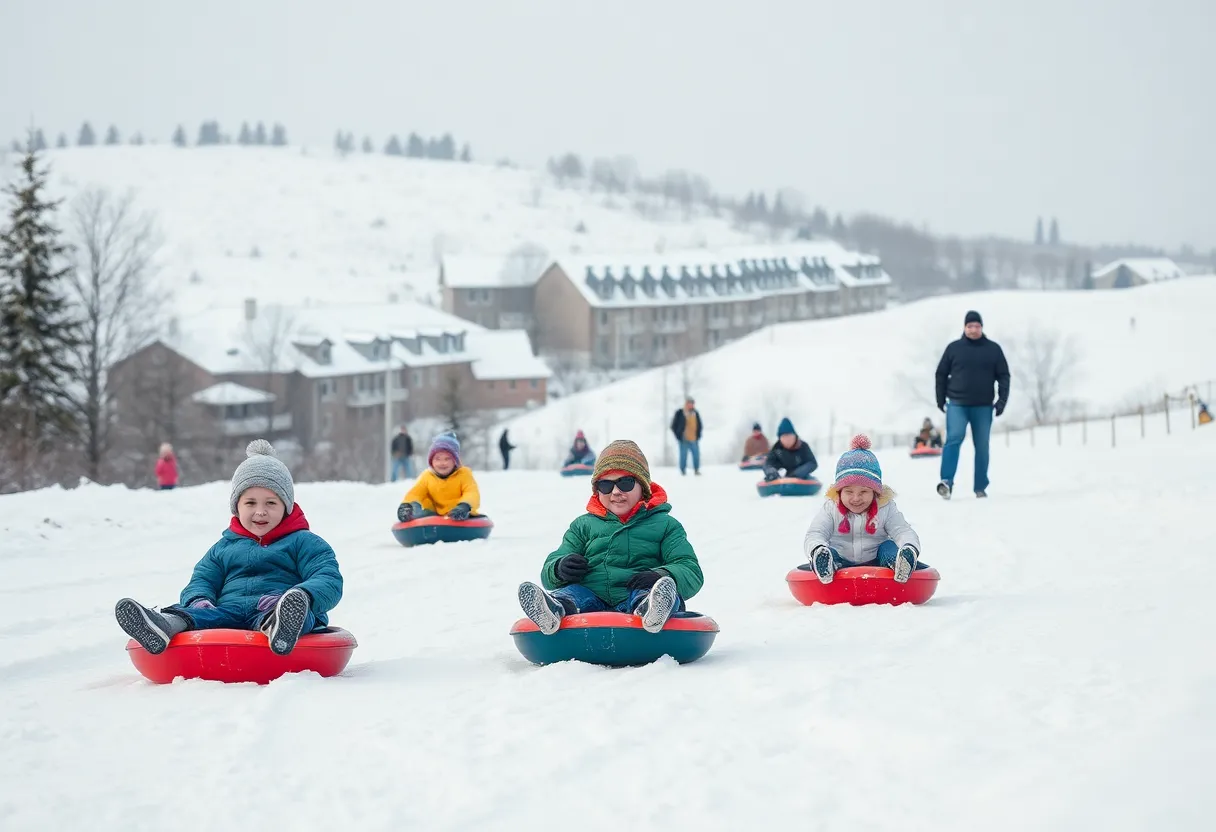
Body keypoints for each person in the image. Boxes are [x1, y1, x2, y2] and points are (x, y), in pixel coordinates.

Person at [115, 440, 344, 657]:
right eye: (250, 503)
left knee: (300, 615)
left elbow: (327, 578)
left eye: (271, 503)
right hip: (227, 612)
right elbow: (202, 578)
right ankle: (161, 626)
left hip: (273, 607)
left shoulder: (304, 542)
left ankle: (283, 625)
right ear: (237, 507)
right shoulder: (223, 548)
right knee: (195, 614)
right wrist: (198, 600)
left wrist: (301, 595)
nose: (260, 511)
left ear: (287, 506)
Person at [517, 440, 704, 635]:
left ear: (643, 487)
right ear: (597, 490)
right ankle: (554, 611)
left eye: (625, 483)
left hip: (639, 594)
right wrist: (559, 568)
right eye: (606, 485)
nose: (615, 492)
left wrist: (661, 575)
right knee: (572, 595)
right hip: (590, 596)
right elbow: (554, 563)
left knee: (652, 594)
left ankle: (652, 610)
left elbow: (690, 570)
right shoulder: (583, 526)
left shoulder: (665, 525)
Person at [802, 434, 926, 584]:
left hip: (878, 562)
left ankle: (901, 564)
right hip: (841, 562)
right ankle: (824, 564)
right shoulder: (831, 508)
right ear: (839, 491)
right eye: (849, 492)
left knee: (889, 546)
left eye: (864, 492)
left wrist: (909, 547)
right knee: (829, 551)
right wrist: (817, 548)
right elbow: (816, 532)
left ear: (875, 492)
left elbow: (902, 531)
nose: (856, 498)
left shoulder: (885, 507)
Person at [934, 310, 1010, 499]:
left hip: (983, 406)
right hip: (957, 404)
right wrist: (940, 398)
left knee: (982, 445)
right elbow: (941, 374)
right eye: (970, 326)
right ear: (964, 327)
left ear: (981, 327)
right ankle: (946, 482)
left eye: (976, 326)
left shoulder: (993, 349)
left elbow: (1004, 376)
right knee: (953, 439)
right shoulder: (954, 348)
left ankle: (980, 487)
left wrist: (1001, 401)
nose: (973, 329)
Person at [397, 432, 481, 522]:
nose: (442, 463)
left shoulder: (464, 474)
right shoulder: (427, 476)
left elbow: (471, 492)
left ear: (455, 461)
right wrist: (406, 504)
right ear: (431, 461)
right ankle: (411, 515)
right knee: (416, 505)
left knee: (461, 514)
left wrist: (465, 505)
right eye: (437, 459)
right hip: (434, 515)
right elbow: (415, 493)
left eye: (447, 459)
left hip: (459, 513)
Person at [670, 397, 703, 476]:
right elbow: (673, 425)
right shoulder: (680, 412)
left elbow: (699, 425)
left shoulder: (695, 413)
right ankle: (683, 470)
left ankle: (696, 469)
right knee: (683, 456)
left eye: (692, 404)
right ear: (686, 404)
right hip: (684, 439)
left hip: (694, 438)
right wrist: (678, 436)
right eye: (689, 403)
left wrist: (698, 435)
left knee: (696, 455)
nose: (690, 405)